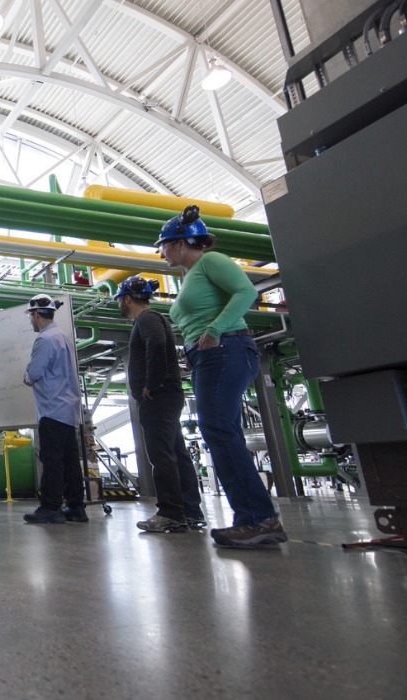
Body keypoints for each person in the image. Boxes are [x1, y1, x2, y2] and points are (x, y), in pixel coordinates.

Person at [157, 205, 287, 547]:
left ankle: (258, 519)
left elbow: (246, 292)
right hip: (210, 355)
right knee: (218, 430)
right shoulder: (190, 276)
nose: (161, 252)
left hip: (226, 348)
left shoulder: (211, 262)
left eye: (164, 245)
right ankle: (253, 518)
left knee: (218, 429)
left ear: (182, 242)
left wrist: (215, 330)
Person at [115, 275, 206, 534]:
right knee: (175, 452)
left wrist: (151, 384)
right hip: (167, 396)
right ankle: (189, 511)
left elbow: (156, 344)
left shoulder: (147, 319)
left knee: (161, 455)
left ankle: (170, 512)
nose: (119, 304)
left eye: (120, 299)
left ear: (128, 298)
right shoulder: (153, 319)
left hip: (159, 396)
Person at [22, 294, 86, 524]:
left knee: (52, 459)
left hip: (52, 408)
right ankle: (76, 507)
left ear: (36, 315)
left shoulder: (45, 340)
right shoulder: (63, 337)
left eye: (31, 316)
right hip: (68, 409)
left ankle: (50, 507)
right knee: (70, 461)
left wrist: (26, 376)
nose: (31, 320)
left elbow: (34, 373)